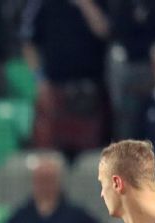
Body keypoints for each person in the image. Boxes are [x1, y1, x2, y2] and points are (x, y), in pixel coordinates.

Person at [21, 0, 111, 154]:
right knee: (50, 152)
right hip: (54, 88)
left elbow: (104, 30)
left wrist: (85, 4)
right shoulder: (41, 3)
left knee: (89, 153)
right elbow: (28, 42)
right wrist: (40, 80)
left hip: (90, 89)